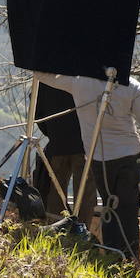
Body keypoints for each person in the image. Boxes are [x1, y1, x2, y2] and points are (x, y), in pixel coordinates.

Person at [35, 70, 140, 261]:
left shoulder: (80, 83)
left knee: (109, 209)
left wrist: (39, 58)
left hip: (100, 159)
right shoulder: (133, 86)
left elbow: (44, 77)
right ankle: (128, 260)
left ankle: (110, 256)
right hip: (130, 157)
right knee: (127, 212)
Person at [31, 82, 88, 217]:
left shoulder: (46, 76)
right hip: (84, 144)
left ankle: (55, 231)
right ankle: (83, 232)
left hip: (57, 143)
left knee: (55, 195)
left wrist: (53, 133)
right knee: (84, 195)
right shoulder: (87, 73)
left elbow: (38, 113)